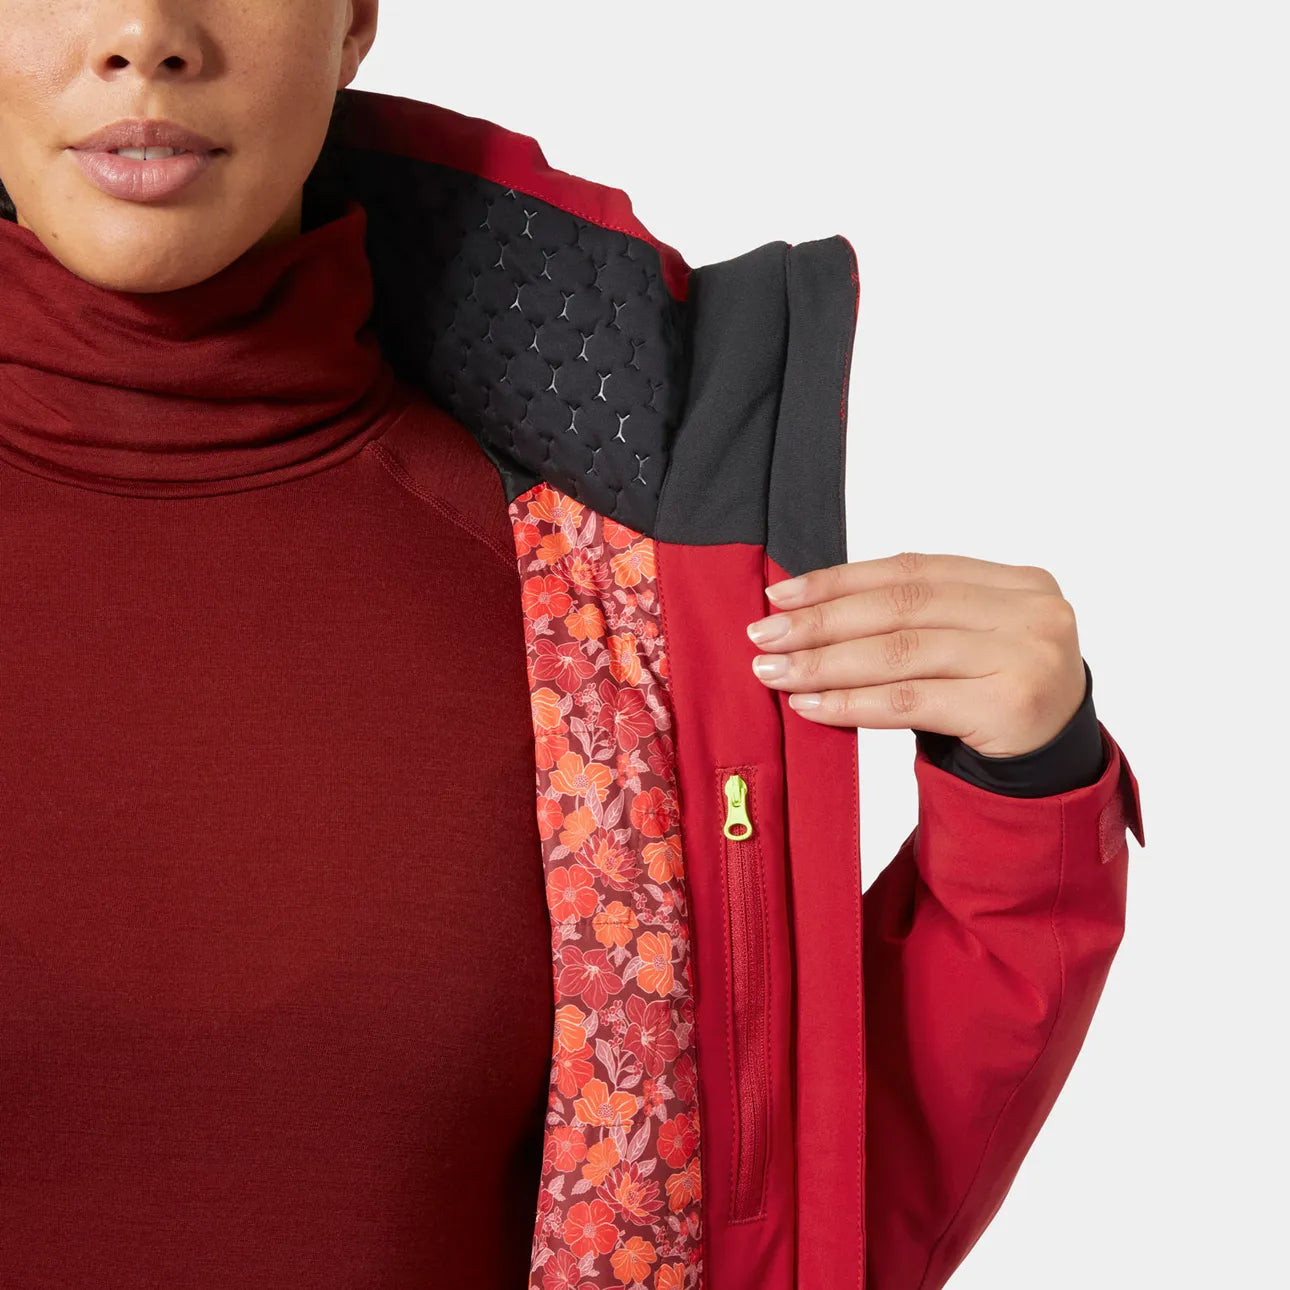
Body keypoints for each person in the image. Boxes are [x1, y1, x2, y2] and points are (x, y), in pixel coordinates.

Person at [0, 3, 1145, 1289]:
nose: (145, 33)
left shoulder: (621, 587)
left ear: (352, 21)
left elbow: (786, 1230)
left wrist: (1025, 794)